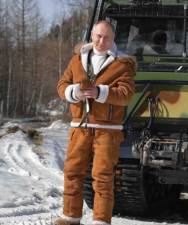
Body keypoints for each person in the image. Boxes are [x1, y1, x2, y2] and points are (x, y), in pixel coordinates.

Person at [54, 20, 136, 225]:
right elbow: (61, 85)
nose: (101, 41)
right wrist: (73, 91)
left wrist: (100, 92)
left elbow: (126, 95)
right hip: (79, 127)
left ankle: (101, 221)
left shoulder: (123, 64)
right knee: (72, 172)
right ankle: (71, 217)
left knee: (102, 177)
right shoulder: (76, 59)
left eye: (106, 37)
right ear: (91, 35)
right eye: (98, 36)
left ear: (113, 38)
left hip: (107, 130)